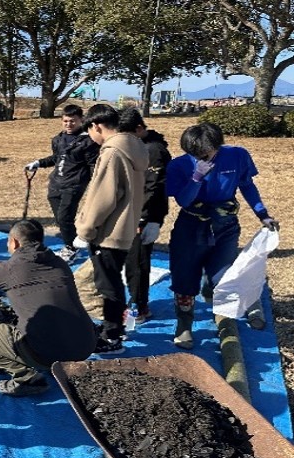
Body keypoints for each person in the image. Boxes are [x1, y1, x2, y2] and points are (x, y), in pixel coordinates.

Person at [0, 219, 96, 396]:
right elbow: (24, 276)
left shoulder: (9, 270)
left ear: (14, 242)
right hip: (85, 346)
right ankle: (54, 360)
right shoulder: (59, 263)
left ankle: (26, 379)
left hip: (48, 353)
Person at [166, 122, 277, 349]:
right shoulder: (178, 165)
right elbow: (184, 200)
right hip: (191, 225)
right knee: (184, 275)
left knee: (223, 272)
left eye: (205, 153)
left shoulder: (237, 156)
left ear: (218, 146)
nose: (200, 156)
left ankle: (222, 300)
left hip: (225, 224)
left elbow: (247, 185)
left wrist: (262, 214)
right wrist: (196, 177)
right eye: (193, 153)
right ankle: (184, 323)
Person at [73, 104, 148, 354]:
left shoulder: (112, 153)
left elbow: (102, 198)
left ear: (96, 126)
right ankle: (113, 328)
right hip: (125, 227)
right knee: (113, 281)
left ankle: (111, 335)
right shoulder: (135, 147)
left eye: (90, 132)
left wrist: (85, 229)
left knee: (108, 285)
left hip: (109, 231)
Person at [25, 105, 100, 263]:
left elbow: (93, 165)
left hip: (74, 185)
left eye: (73, 121)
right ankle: (77, 241)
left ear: (81, 120)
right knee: (61, 219)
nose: (69, 124)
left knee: (65, 217)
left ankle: (71, 248)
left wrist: (97, 184)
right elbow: (56, 158)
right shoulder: (58, 139)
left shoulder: (88, 142)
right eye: (65, 121)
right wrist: (38, 163)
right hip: (56, 183)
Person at [119, 108, 172, 323]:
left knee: (138, 261)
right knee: (130, 260)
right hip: (132, 212)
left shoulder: (154, 151)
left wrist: (147, 219)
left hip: (144, 216)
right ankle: (136, 300)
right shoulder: (138, 146)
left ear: (139, 128)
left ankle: (139, 306)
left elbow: (153, 188)